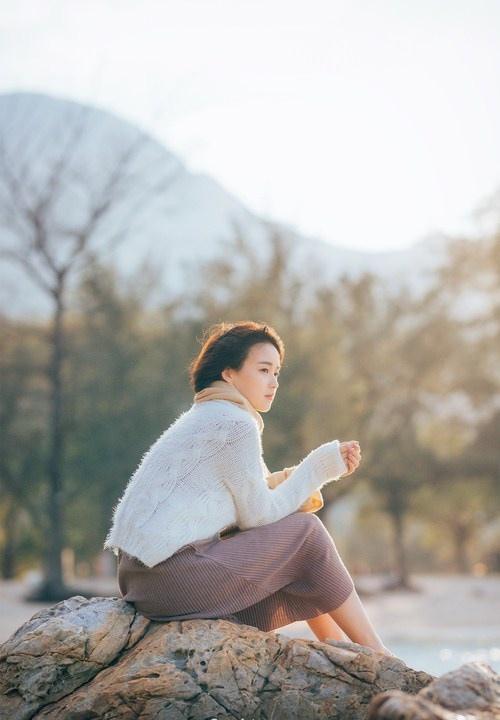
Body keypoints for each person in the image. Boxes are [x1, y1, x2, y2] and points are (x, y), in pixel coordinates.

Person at [104, 320, 393, 656]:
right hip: (172, 577)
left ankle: (334, 647)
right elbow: (258, 515)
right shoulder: (235, 424)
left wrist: (311, 469)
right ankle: (377, 651)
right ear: (229, 373)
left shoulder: (205, 417)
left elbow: (245, 500)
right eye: (263, 370)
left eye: (277, 372)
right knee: (307, 532)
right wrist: (317, 467)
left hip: (141, 581)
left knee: (299, 552)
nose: (273, 382)